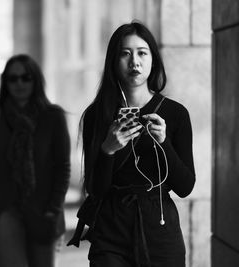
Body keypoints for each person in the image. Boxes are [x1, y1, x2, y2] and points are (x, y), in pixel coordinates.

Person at [70, 22, 196, 266]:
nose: (134, 61)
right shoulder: (97, 115)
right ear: (113, 62)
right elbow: (95, 189)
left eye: (142, 52)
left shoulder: (175, 113)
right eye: (125, 53)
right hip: (111, 231)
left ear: (153, 59)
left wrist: (164, 143)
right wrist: (108, 150)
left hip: (159, 228)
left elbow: (185, 186)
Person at [0, 54, 71, 267]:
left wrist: (53, 209)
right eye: (12, 78)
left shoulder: (52, 116)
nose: (19, 83)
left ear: (36, 80)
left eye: (26, 77)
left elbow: (62, 167)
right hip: (3, 207)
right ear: (5, 83)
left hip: (43, 209)